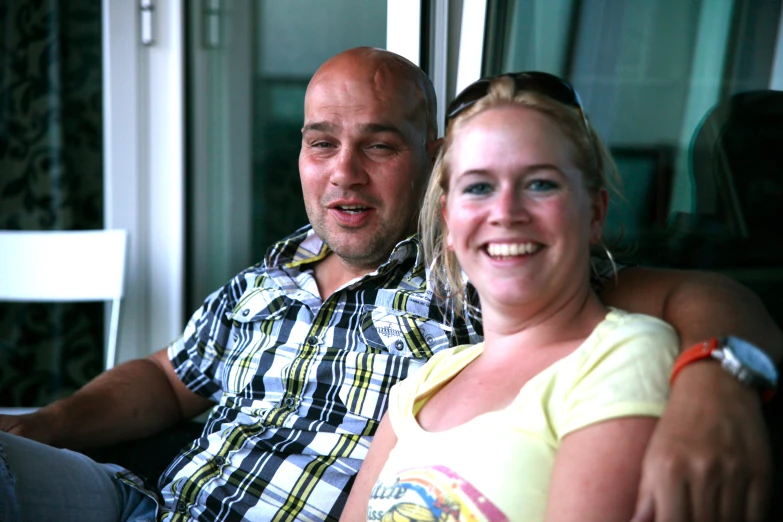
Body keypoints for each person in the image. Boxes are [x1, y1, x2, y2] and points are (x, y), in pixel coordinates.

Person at [0, 47, 779, 522]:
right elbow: (170, 377)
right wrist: (43, 426)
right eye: (321, 142)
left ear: (435, 159)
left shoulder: (484, 266)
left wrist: (718, 383)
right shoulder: (276, 267)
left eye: (380, 144)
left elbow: (700, 298)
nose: (344, 171)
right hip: (143, 503)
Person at [340, 71, 676, 521]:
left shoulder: (624, 354)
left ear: (594, 212)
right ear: (449, 220)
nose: (506, 213)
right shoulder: (424, 384)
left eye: (540, 184)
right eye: (478, 187)